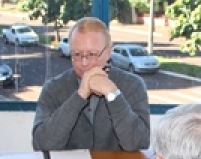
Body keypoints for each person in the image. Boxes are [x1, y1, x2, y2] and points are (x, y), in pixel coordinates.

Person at [32, 17, 151, 151]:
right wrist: (80, 96)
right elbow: (42, 145)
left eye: (92, 54)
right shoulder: (53, 88)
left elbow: (139, 144)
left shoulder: (132, 85)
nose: (84, 63)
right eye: (77, 54)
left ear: (108, 52)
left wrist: (113, 94)